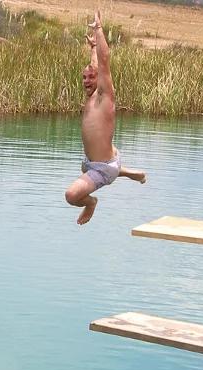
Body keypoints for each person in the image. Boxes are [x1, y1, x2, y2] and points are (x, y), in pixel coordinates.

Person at [64, 10, 147, 225]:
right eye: (84, 77)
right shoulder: (92, 97)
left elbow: (104, 60)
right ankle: (126, 171)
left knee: (72, 195)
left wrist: (99, 31)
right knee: (84, 167)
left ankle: (91, 203)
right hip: (95, 163)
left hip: (103, 168)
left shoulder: (104, 97)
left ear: (101, 79)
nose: (86, 80)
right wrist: (92, 48)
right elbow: (95, 63)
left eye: (91, 77)